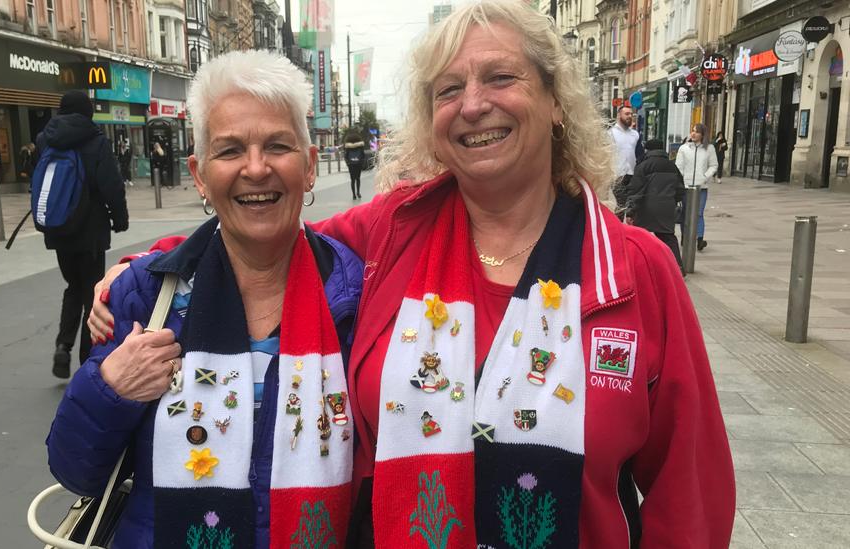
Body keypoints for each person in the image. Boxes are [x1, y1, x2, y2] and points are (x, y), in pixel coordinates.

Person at [89, 1, 735, 546]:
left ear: (555, 100)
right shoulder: (393, 230)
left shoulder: (635, 270)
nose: (474, 104)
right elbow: (267, 234)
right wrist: (150, 263)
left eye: (500, 78)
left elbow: (692, 494)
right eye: (449, 90)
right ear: (433, 118)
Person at [46, 51, 363, 549]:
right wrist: (110, 387)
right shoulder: (146, 294)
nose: (255, 169)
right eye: (230, 150)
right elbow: (76, 471)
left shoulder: (357, 295)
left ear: (309, 167)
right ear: (199, 174)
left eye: (277, 145)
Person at [37, 91, 128, 379]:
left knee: (72, 287)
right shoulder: (96, 140)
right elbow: (110, 184)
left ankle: (63, 345)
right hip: (90, 230)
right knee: (92, 291)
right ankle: (87, 359)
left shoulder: (45, 140)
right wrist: (119, 217)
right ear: (87, 112)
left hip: (59, 228)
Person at [622, 139, 686, 272]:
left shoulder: (643, 166)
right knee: (668, 237)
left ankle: (641, 267)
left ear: (647, 150)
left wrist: (630, 212)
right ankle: (677, 267)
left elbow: (635, 191)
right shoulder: (672, 166)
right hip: (667, 208)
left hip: (646, 208)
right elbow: (680, 190)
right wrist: (672, 201)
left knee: (640, 237)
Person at [676, 122, 718, 251]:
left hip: (701, 187)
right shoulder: (684, 148)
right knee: (685, 213)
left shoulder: (709, 148)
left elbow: (713, 165)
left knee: (699, 213)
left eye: (697, 131)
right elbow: (679, 166)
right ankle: (685, 236)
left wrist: (705, 176)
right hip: (686, 186)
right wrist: (680, 181)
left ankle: (700, 239)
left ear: (703, 134)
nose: (693, 133)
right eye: (692, 131)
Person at [609, 105, 639, 205]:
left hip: (632, 174)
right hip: (617, 175)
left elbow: (639, 154)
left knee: (631, 205)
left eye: (631, 114)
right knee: (620, 204)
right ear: (619, 115)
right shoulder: (611, 133)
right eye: (626, 114)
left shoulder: (635, 135)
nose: (629, 116)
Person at [343, 131, 366, 200]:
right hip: (358, 164)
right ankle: (358, 192)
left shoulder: (348, 147)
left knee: (352, 180)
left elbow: (346, 156)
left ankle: (353, 195)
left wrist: (348, 163)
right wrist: (361, 163)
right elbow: (363, 155)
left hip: (351, 165)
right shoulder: (360, 147)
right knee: (358, 179)